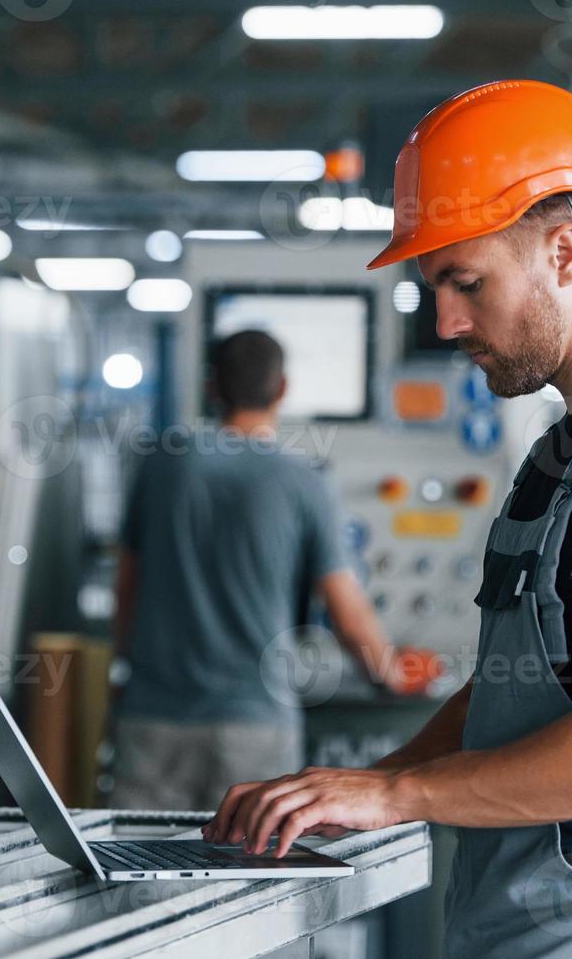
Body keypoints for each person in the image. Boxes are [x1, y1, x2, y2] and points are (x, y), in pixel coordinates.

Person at [203, 80, 572, 957]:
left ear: (561, 252)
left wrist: (397, 799)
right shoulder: (568, 448)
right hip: (521, 914)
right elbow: (513, 696)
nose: (445, 321)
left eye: (464, 282)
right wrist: (355, 786)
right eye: (434, 287)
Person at [110, 329, 416, 812]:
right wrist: (389, 672)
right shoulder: (302, 482)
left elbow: (126, 585)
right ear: (282, 390)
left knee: (141, 867)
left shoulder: (162, 469)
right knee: (251, 873)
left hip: (153, 717)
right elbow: (345, 607)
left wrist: (130, 668)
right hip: (254, 725)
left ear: (212, 387)